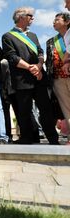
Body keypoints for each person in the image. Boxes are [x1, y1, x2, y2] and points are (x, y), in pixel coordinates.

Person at [2, 7, 59, 145]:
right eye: (30, 16)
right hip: (22, 79)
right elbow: (12, 57)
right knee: (24, 111)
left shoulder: (33, 35)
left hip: (39, 77)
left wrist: (39, 66)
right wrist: (29, 67)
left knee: (46, 109)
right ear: (21, 17)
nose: (32, 19)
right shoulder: (7, 36)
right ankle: (27, 138)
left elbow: (40, 52)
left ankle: (53, 139)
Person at [46, 12, 70, 145]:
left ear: (67, 22)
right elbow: (49, 61)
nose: (53, 22)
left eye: (57, 19)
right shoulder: (50, 41)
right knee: (67, 109)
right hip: (58, 79)